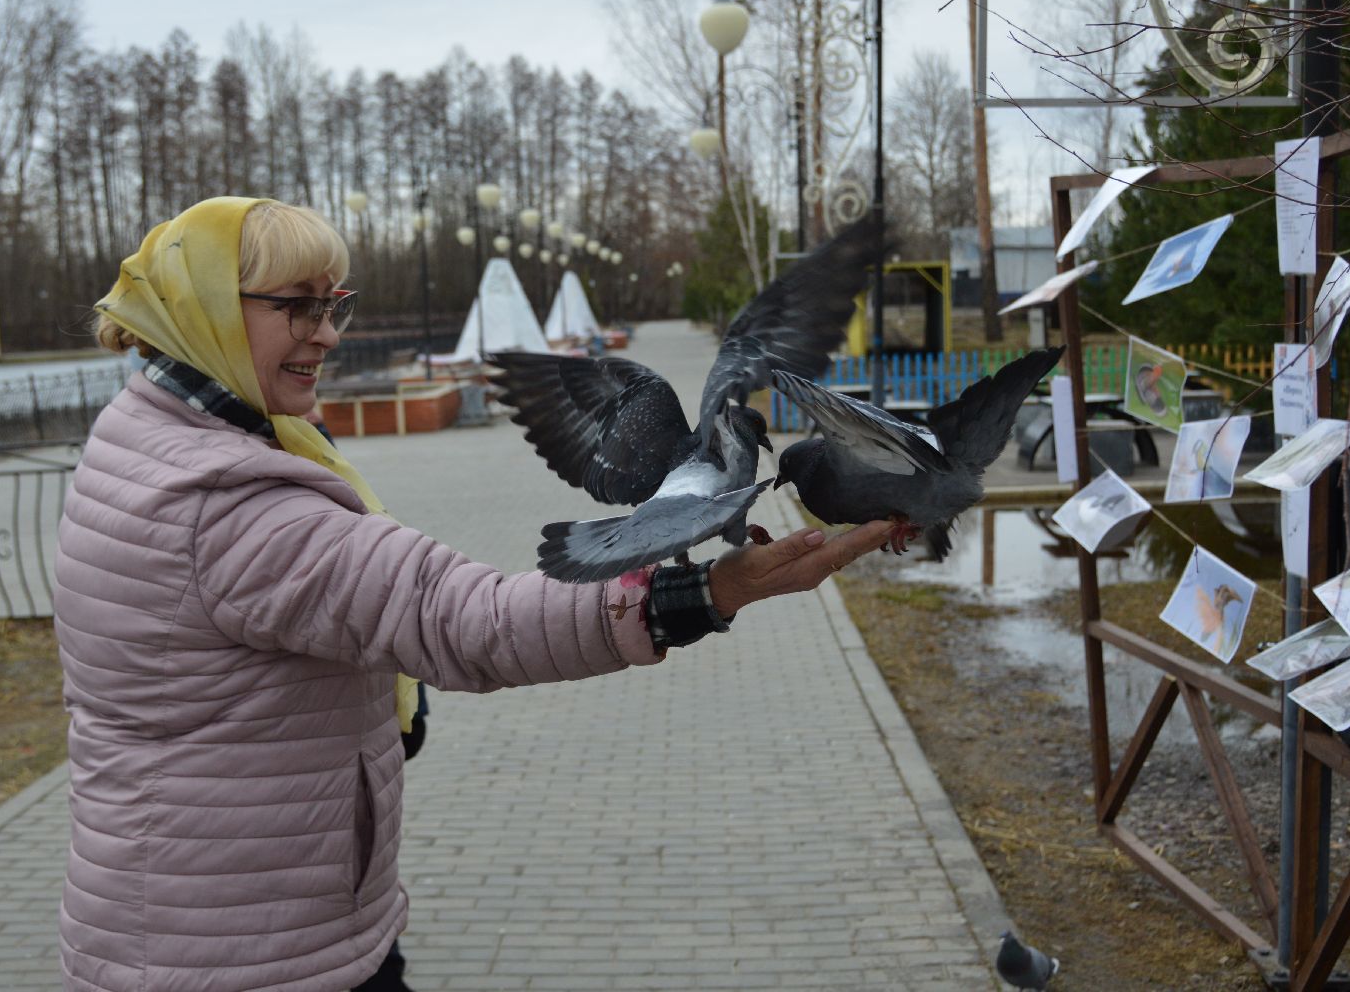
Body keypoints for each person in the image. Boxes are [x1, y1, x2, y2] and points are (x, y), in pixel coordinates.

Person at [56, 196, 889, 992]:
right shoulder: (234, 512)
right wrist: (701, 593)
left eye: (333, 304)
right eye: (296, 307)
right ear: (203, 312)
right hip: (248, 951)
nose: (326, 334)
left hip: (172, 912)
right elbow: (466, 621)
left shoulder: (144, 437)